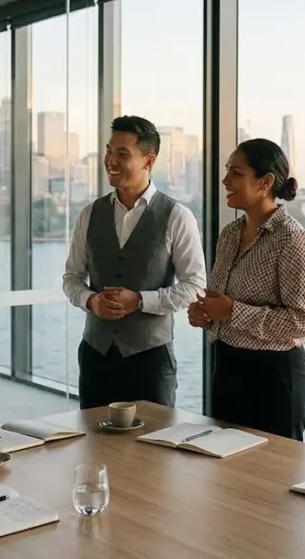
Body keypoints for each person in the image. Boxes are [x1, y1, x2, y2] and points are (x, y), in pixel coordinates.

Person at [64, 115, 206, 409]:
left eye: (122, 154)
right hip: (95, 357)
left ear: (149, 161)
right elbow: (71, 277)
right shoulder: (89, 214)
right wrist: (92, 301)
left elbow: (195, 286)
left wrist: (140, 301)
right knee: (95, 447)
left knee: (152, 449)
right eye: (109, 151)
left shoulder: (177, 216)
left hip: (151, 360)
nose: (110, 160)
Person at [188, 138, 305, 441]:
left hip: (275, 379)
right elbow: (218, 301)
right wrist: (205, 314)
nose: (225, 181)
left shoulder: (291, 240)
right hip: (227, 370)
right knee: (226, 478)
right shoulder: (230, 235)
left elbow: (304, 321)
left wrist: (233, 312)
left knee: (272, 480)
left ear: (266, 182)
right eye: (226, 171)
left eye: (236, 173)